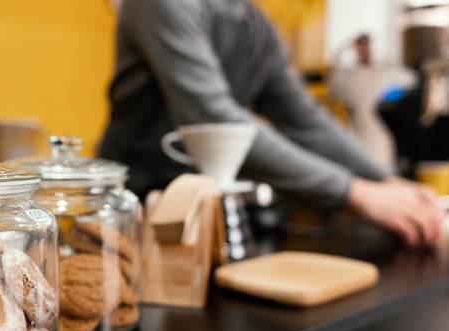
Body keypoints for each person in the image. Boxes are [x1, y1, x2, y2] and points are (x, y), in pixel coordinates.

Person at [98, 0, 446, 247]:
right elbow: (214, 116)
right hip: (135, 208)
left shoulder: (255, 24)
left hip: (206, 212)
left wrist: (385, 180)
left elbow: (305, 120)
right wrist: (355, 192)